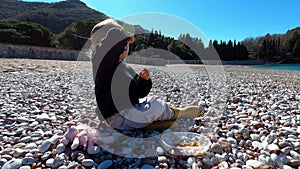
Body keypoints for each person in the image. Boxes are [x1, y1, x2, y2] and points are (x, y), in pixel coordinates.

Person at [91, 19, 202, 131]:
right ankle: (175, 114)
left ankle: (156, 121)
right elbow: (108, 48)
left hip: (128, 114)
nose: (125, 46)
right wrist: (123, 35)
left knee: (152, 100)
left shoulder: (125, 69)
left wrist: (143, 81)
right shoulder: (102, 63)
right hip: (116, 118)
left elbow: (139, 93)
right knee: (155, 106)